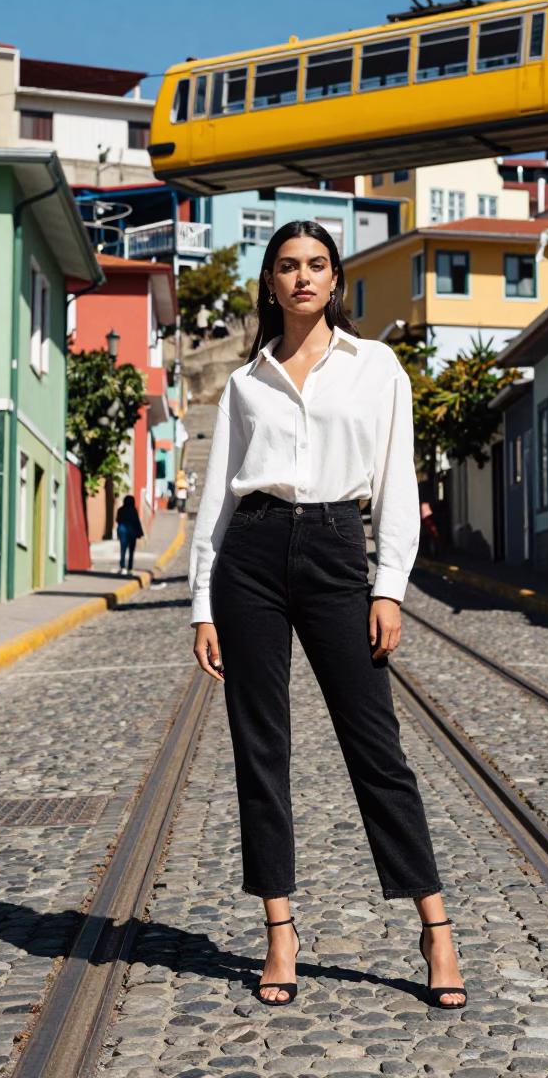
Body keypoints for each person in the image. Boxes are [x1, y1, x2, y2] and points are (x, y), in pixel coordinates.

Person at [188, 221, 467, 1010]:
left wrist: (389, 587)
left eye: (316, 265)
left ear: (335, 279)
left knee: (376, 745)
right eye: (287, 267)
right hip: (252, 553)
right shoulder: (248, 383)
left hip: (341, 548)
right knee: (260, 749)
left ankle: (435, 926)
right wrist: (203, 601)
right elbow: (218, 499)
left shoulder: (376, 366)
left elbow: (397, 480)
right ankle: (280, 930)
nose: (302, 278)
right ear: (270, 284)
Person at [116, 495, 144, 574]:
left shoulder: (120, 510)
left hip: (122, 531)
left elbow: (118, 520)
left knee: (123, 549)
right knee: (131, 551)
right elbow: (136, 521)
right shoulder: (134, 510)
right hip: (132, 532)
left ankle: (122, 567)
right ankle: (130, 567)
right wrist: (140, 532)